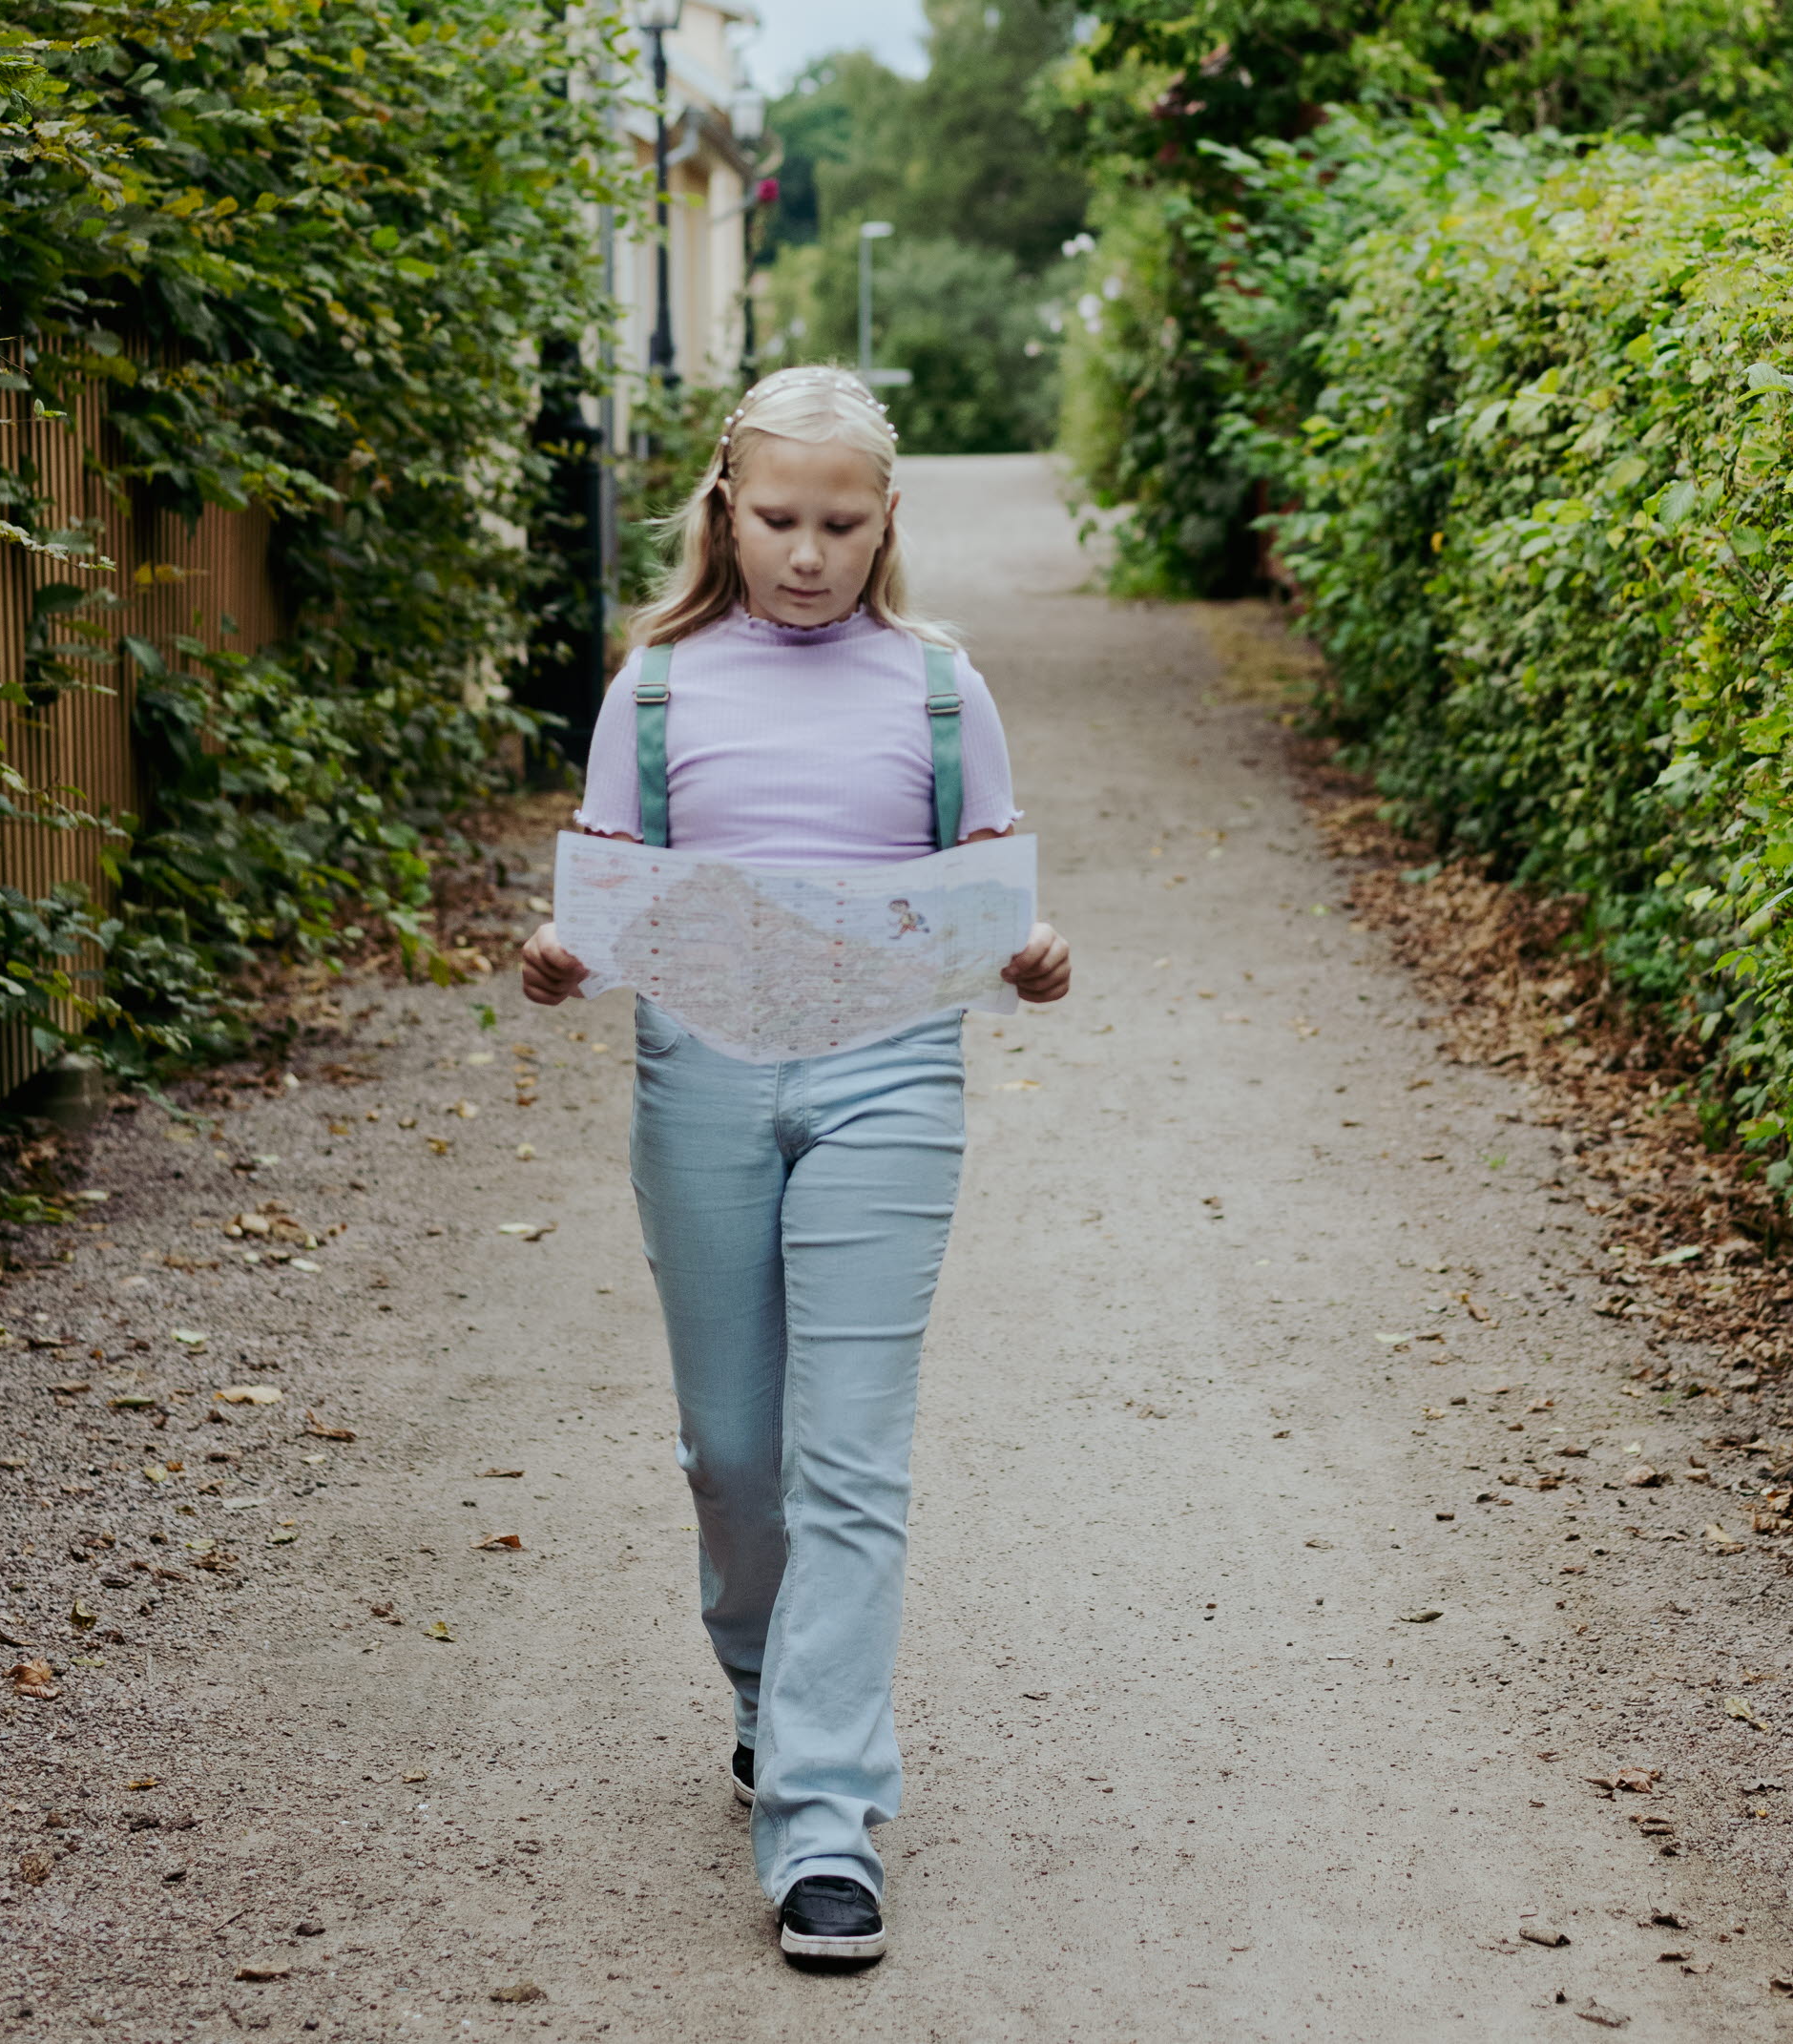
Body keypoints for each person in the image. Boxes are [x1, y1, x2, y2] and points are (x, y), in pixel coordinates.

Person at [519, 365, 1070, 1969]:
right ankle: (770, 1692)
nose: (809, 552)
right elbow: (609, 886)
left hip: (890, 1071)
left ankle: (825, 1819)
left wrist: (1027, 948)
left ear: (887, 518)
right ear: (723, 508)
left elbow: (990, 882)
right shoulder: (663, 686)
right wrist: (564, 951)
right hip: (700, 1072)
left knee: (851, 1460)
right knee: (735, 1457)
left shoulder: (941, 688)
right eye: (778, 519)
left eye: (841, 522)